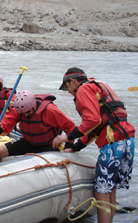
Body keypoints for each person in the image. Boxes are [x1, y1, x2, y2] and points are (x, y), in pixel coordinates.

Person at [52, 67, 135, 223]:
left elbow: (92, 121)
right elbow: (97, 127)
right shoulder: (97, 85)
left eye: (67, 87)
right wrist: (74, 148)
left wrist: (66, 138)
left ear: (73, 81)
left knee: (102, 192)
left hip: (113, 145)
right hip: (128, 141)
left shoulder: (83, 90)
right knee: (111, 189)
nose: (69, 92)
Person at [0, 90, 76, 163]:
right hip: (28, 142)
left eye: (28, 111)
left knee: (35, 163)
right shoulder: (20, 110)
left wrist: (68, 147)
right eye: (23, 113)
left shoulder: (49, 110)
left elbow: (70, 126)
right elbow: (6, 126)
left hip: (49, 145)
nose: (25, 114)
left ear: (33, 105)